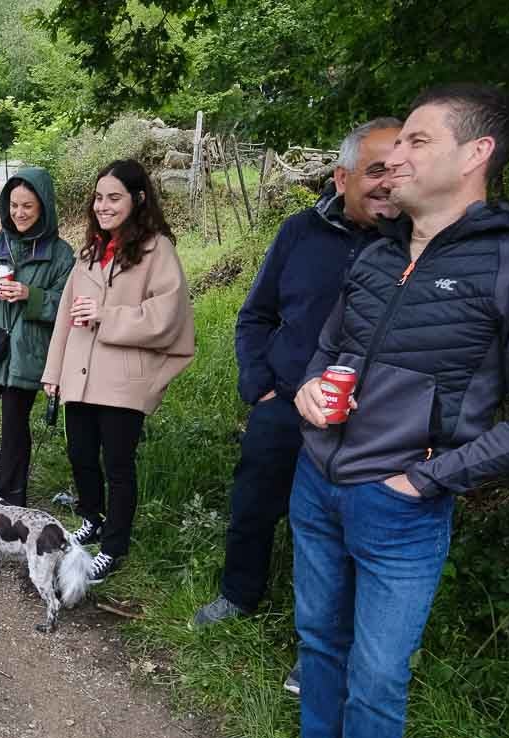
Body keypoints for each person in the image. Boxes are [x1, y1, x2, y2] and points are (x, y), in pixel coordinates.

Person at [243, 84, 509, 738]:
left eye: (417, 142)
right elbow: (329, 346)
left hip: (401, 504)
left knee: (378, 668)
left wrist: (425, 478)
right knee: (319, 638)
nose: (393, 156)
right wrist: (306, 397)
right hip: (319, 481)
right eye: (393, 146)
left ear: (475, 156)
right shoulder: (373, 250)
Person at [191, 117, 402, 697]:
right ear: (342, 175)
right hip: (285, 403)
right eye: (377, 169)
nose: (390, 183)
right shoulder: (300, 233)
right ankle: (239, 593)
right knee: (255, 503)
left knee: (342, 536)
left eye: (400, 168)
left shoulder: (414, 241)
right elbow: (256, 313)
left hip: (366, 420)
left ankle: (320, 653)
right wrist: (258, 385)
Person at [41, 159, 194, 585]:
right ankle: (92, 517)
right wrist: (53, 372)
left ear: (137, 199)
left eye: (114, 198)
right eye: (99, 197)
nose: (103, 206)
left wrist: (108, 315)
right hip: (80, 375)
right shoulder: (91, 248)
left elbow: (168, 316)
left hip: (124, 381)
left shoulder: (157, 249)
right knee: (81, 455)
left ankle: (113, 546)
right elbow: (65, 319)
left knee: (118, 466)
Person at [0, 168, 75, 507]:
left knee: (14, 431)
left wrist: (29, 294)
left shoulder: (61, 255)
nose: (19, 213)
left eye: (28, 206)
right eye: (13, 205)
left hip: (27, 355)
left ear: (44, 208)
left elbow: (67, 305)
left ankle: (9, 504)